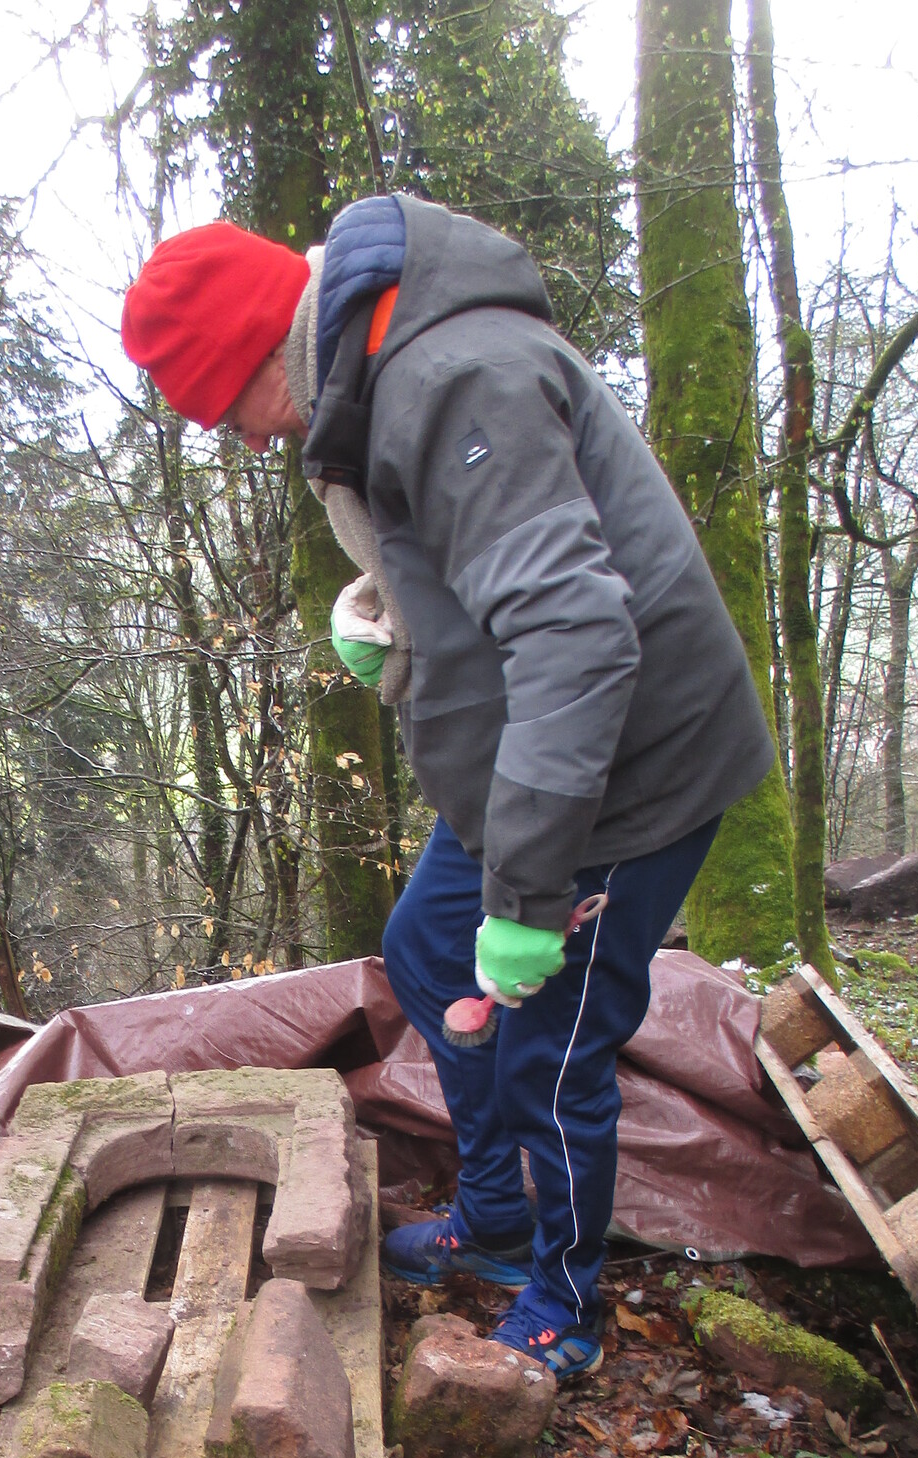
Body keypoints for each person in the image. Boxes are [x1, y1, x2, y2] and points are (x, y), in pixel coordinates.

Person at [121, 194, 777, 1380]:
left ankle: (565, 1302)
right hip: (538, 759)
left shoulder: (455, 375)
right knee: (427, 953)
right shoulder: (375, 371)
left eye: (229, 411)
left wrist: (528, 905)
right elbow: (473, 551)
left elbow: (576, 637)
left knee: (551, 1047)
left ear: (267, 349)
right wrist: (389, 611)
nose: (250, 442)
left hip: (630, 769)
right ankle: (497, 1213)